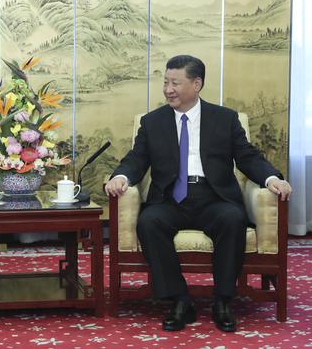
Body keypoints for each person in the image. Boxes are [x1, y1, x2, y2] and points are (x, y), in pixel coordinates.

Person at [105, 55, 292, 333]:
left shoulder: (224, 119)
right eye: (166, 82)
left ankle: (223, 301)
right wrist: (120, 177)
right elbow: (136, 159)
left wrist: (272, 178)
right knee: (148, 222)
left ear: (196, 84)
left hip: (213, 197)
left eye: (175, 83)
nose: (168, 89)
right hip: (170, 198)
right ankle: (179, 300)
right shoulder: (153, 122)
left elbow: (247, 157)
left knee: (232, 220)